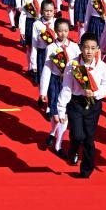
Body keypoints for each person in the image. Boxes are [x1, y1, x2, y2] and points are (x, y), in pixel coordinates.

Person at [55, 32, 106, 178]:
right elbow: (66, 87)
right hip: (76, 103)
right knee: (77, 135)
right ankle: (73, 150)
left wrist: (96, 93)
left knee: (89, 138)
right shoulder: (72, 65)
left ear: (98, 49)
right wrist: (61, 110)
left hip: (93, 105)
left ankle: (86, 169)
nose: (89, 51)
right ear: (80, 48)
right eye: (86, 47)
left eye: (93, 48)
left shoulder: (101, 66)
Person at [39, 18, 79, 153]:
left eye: (66, 31)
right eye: (60, 31)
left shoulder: (74, 47)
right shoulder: (51, 48)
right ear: (55, 31)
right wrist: (43, 91)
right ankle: (52, 132)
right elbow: (47, 69)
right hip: (55, 82)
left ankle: (58, 145)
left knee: (64, 115)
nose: (63, 33)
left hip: (69, 83)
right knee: (55, 115)